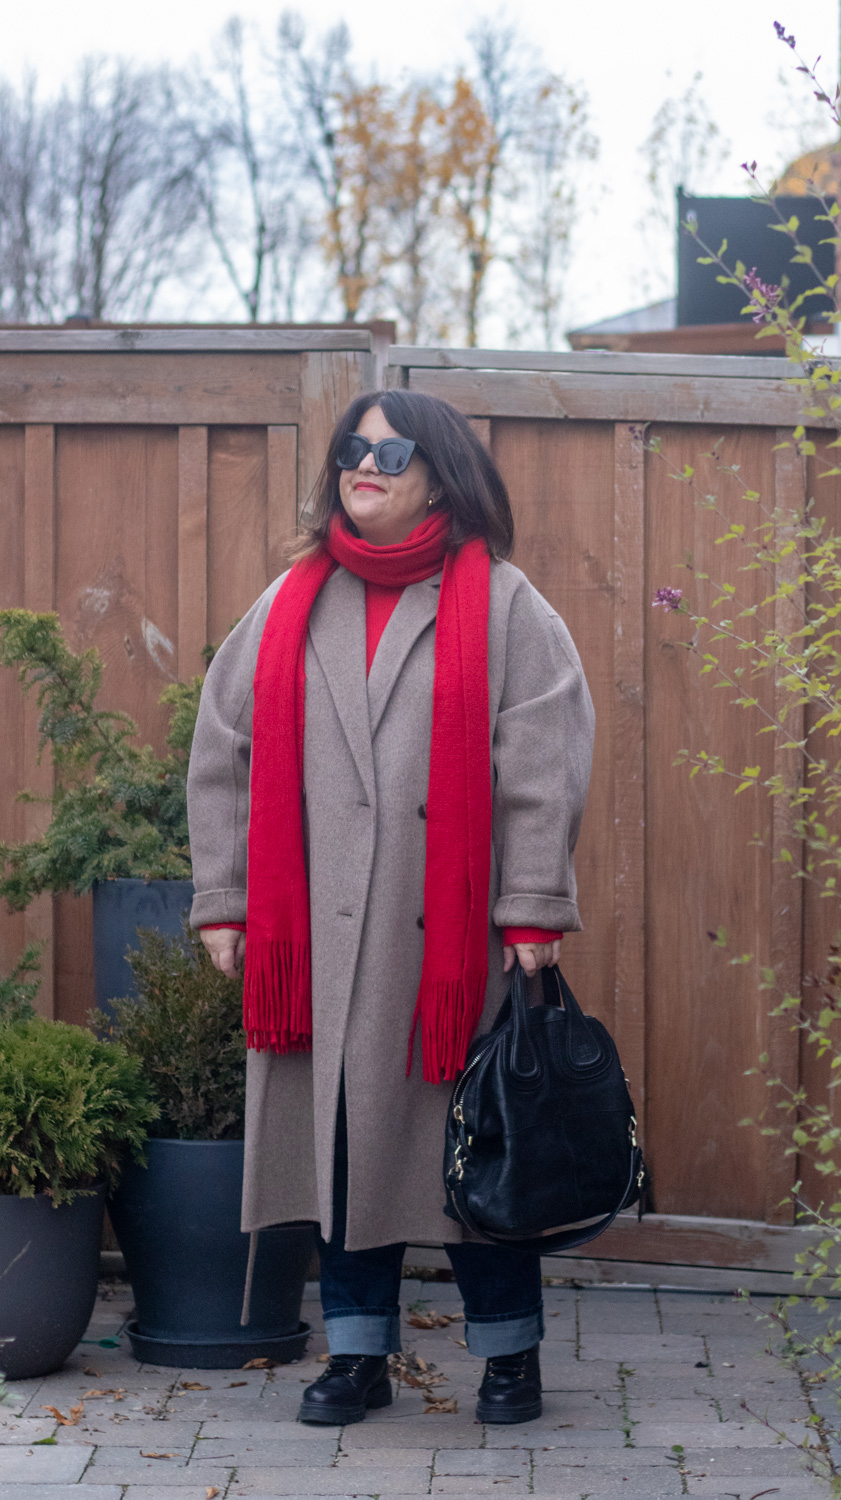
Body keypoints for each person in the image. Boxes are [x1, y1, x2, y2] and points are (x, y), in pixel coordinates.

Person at [187, 388, 594, 1426]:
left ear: (438, 474)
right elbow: (222, 749)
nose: (365, 464)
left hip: (449, 947)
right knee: (343, 1151)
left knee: (472, 1155)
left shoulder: (503, 605)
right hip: (317, 938)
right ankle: (355, 1356)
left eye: (391, 449)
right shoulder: (288, 603)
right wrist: (226, 901)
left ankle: (510, 1358)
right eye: (351, 449)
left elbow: (541, 763)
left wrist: (532, 907)